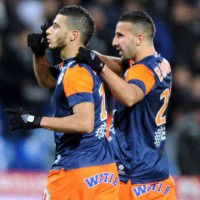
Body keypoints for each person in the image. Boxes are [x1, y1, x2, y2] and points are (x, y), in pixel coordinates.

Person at [6, 5, 119, 200]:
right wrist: (38, 54)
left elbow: (84, 122)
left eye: (56, 26)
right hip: (104, 172)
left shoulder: (75, 72)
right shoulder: (79, 67)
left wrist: (36, 120)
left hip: (75, 172)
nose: (48, 30)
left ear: (73, 35)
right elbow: (48, 80)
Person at [76, 10, 176, 199]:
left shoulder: (143, 70)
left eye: (120, 35)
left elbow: (130, 96)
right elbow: (121, 65)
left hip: (133, 176)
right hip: (157, 175)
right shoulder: (159, 63)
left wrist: (99, 67)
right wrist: (92, 56)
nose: (114, 42)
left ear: (139, 39)